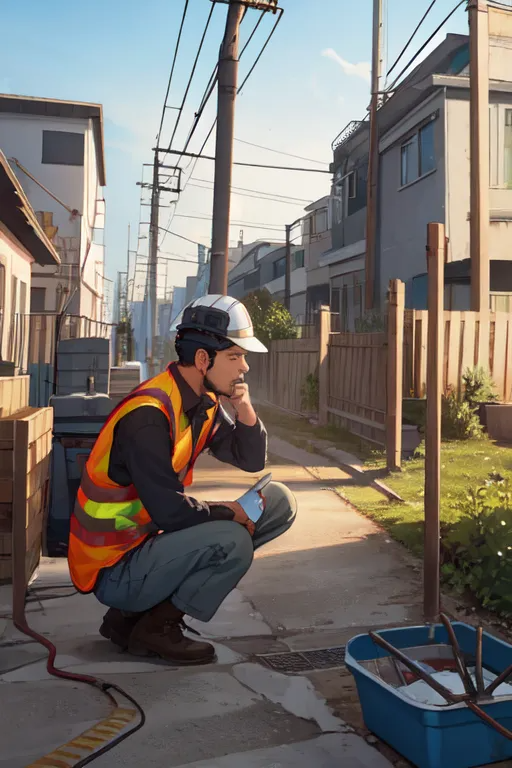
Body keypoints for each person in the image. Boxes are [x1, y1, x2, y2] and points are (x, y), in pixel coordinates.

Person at [67, 295, 297, 665]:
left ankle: (131, 619)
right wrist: (230, 512)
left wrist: (244, 408)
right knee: (232, 539)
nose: (245, 368)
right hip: (114, 564)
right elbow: (172, 512)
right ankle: (157, 627)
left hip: (147, 541)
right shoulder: (148, 415)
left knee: (279, 501)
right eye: (236, 357)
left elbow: (251, 459)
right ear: (204, 359)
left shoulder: (202, 403)